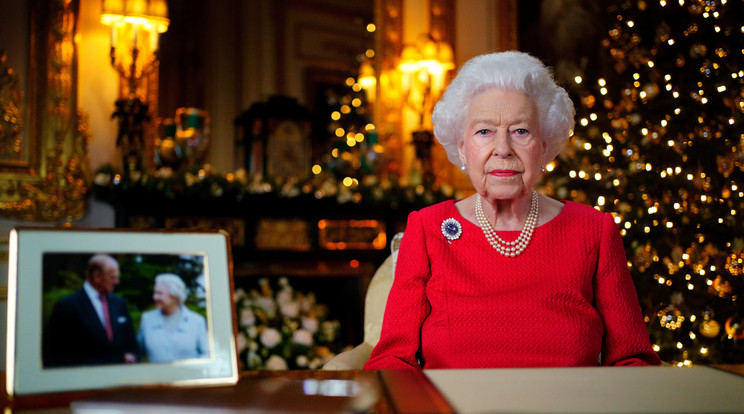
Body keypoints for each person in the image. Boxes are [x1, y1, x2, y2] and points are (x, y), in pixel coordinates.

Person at [364, 51, 661, 370]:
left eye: (521, 131)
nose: (503, 149)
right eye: (484, 132)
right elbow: (392, 360)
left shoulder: (593, 230)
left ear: (544, 145)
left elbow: (632, 358)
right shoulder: (427, 228)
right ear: (462, 147)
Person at [43, 254, 138, 367]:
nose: (117, 282)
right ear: (96, 276)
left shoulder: (119, 303)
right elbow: (53, 352)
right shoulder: (67, 305)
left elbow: (131, 342)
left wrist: (132, 355)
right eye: (113, 277)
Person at [137, 273, 209, 362]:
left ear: (175, 296)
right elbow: (137, 352)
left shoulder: (197, 321)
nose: (155, 297)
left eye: (159, 293)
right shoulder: (147, 319)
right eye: (154, 293)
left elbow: (206, 354)